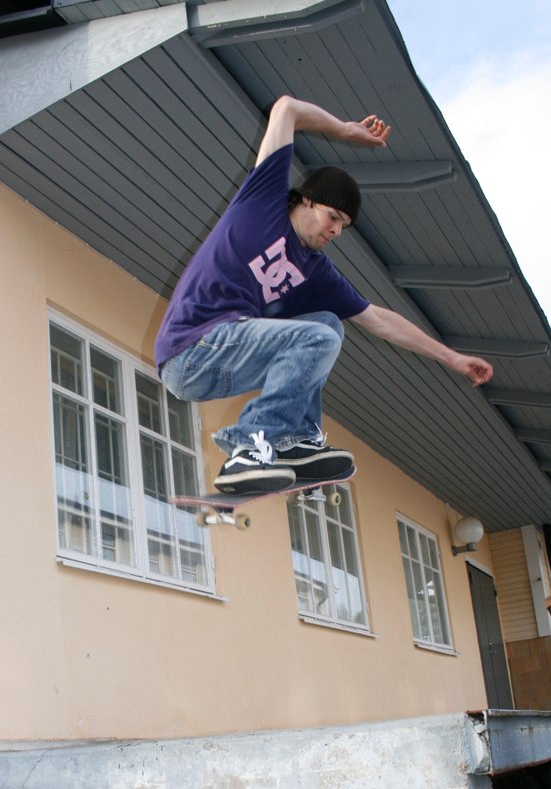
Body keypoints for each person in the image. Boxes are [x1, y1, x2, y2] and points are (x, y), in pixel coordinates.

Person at [154, 97, 494, 494]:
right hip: (191, 349)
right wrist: (346, 131)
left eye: (344, 226)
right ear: (306, 200)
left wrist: (452, 357)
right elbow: (286, 109)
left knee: (327, 324)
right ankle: (248, 444)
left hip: (221, 364)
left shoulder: (316, 271)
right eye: (333, 217)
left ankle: (294, 441)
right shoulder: (261, 200)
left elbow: (379, 321)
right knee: (317, 336)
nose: (335, 231)